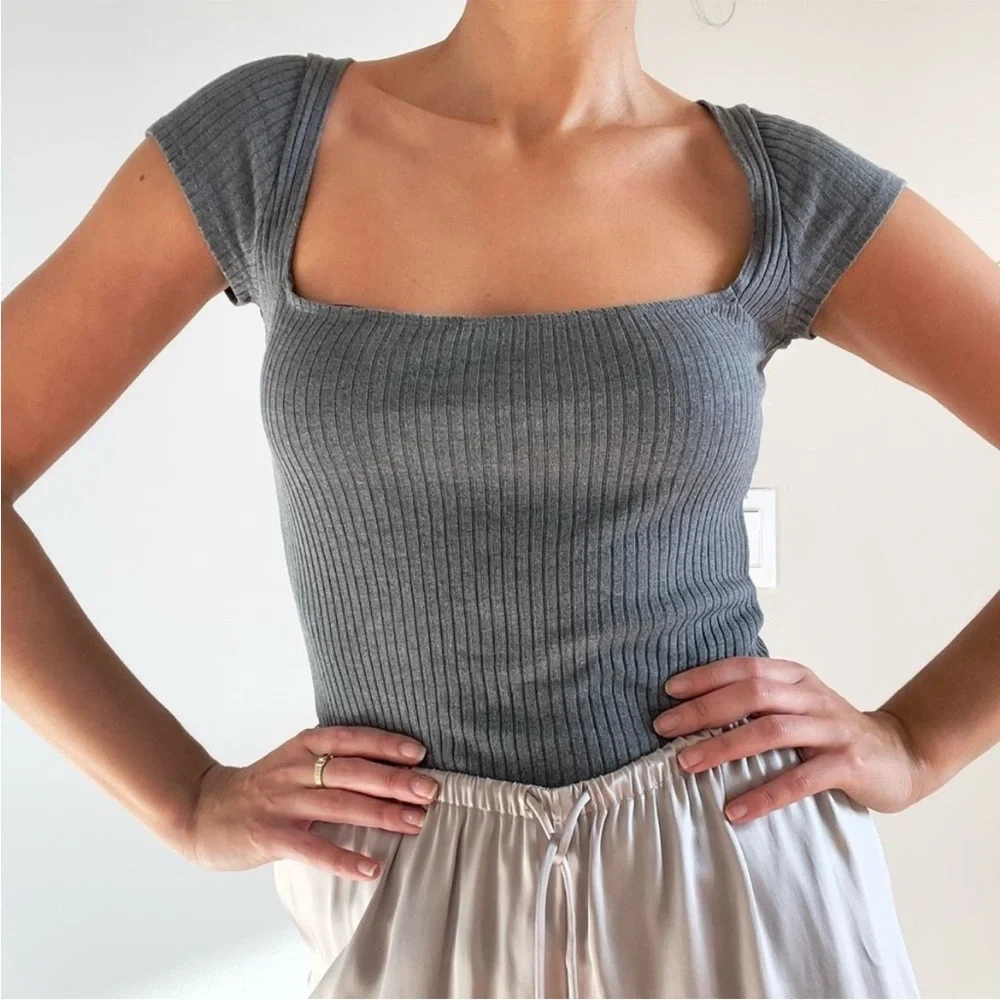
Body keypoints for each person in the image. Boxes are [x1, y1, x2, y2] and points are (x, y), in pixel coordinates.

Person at [3, 2, 998, 998]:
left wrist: (913, 743)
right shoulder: (268, 146)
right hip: (404, 889)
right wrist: (182, 799)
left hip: (728, 877)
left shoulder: (774, 188)